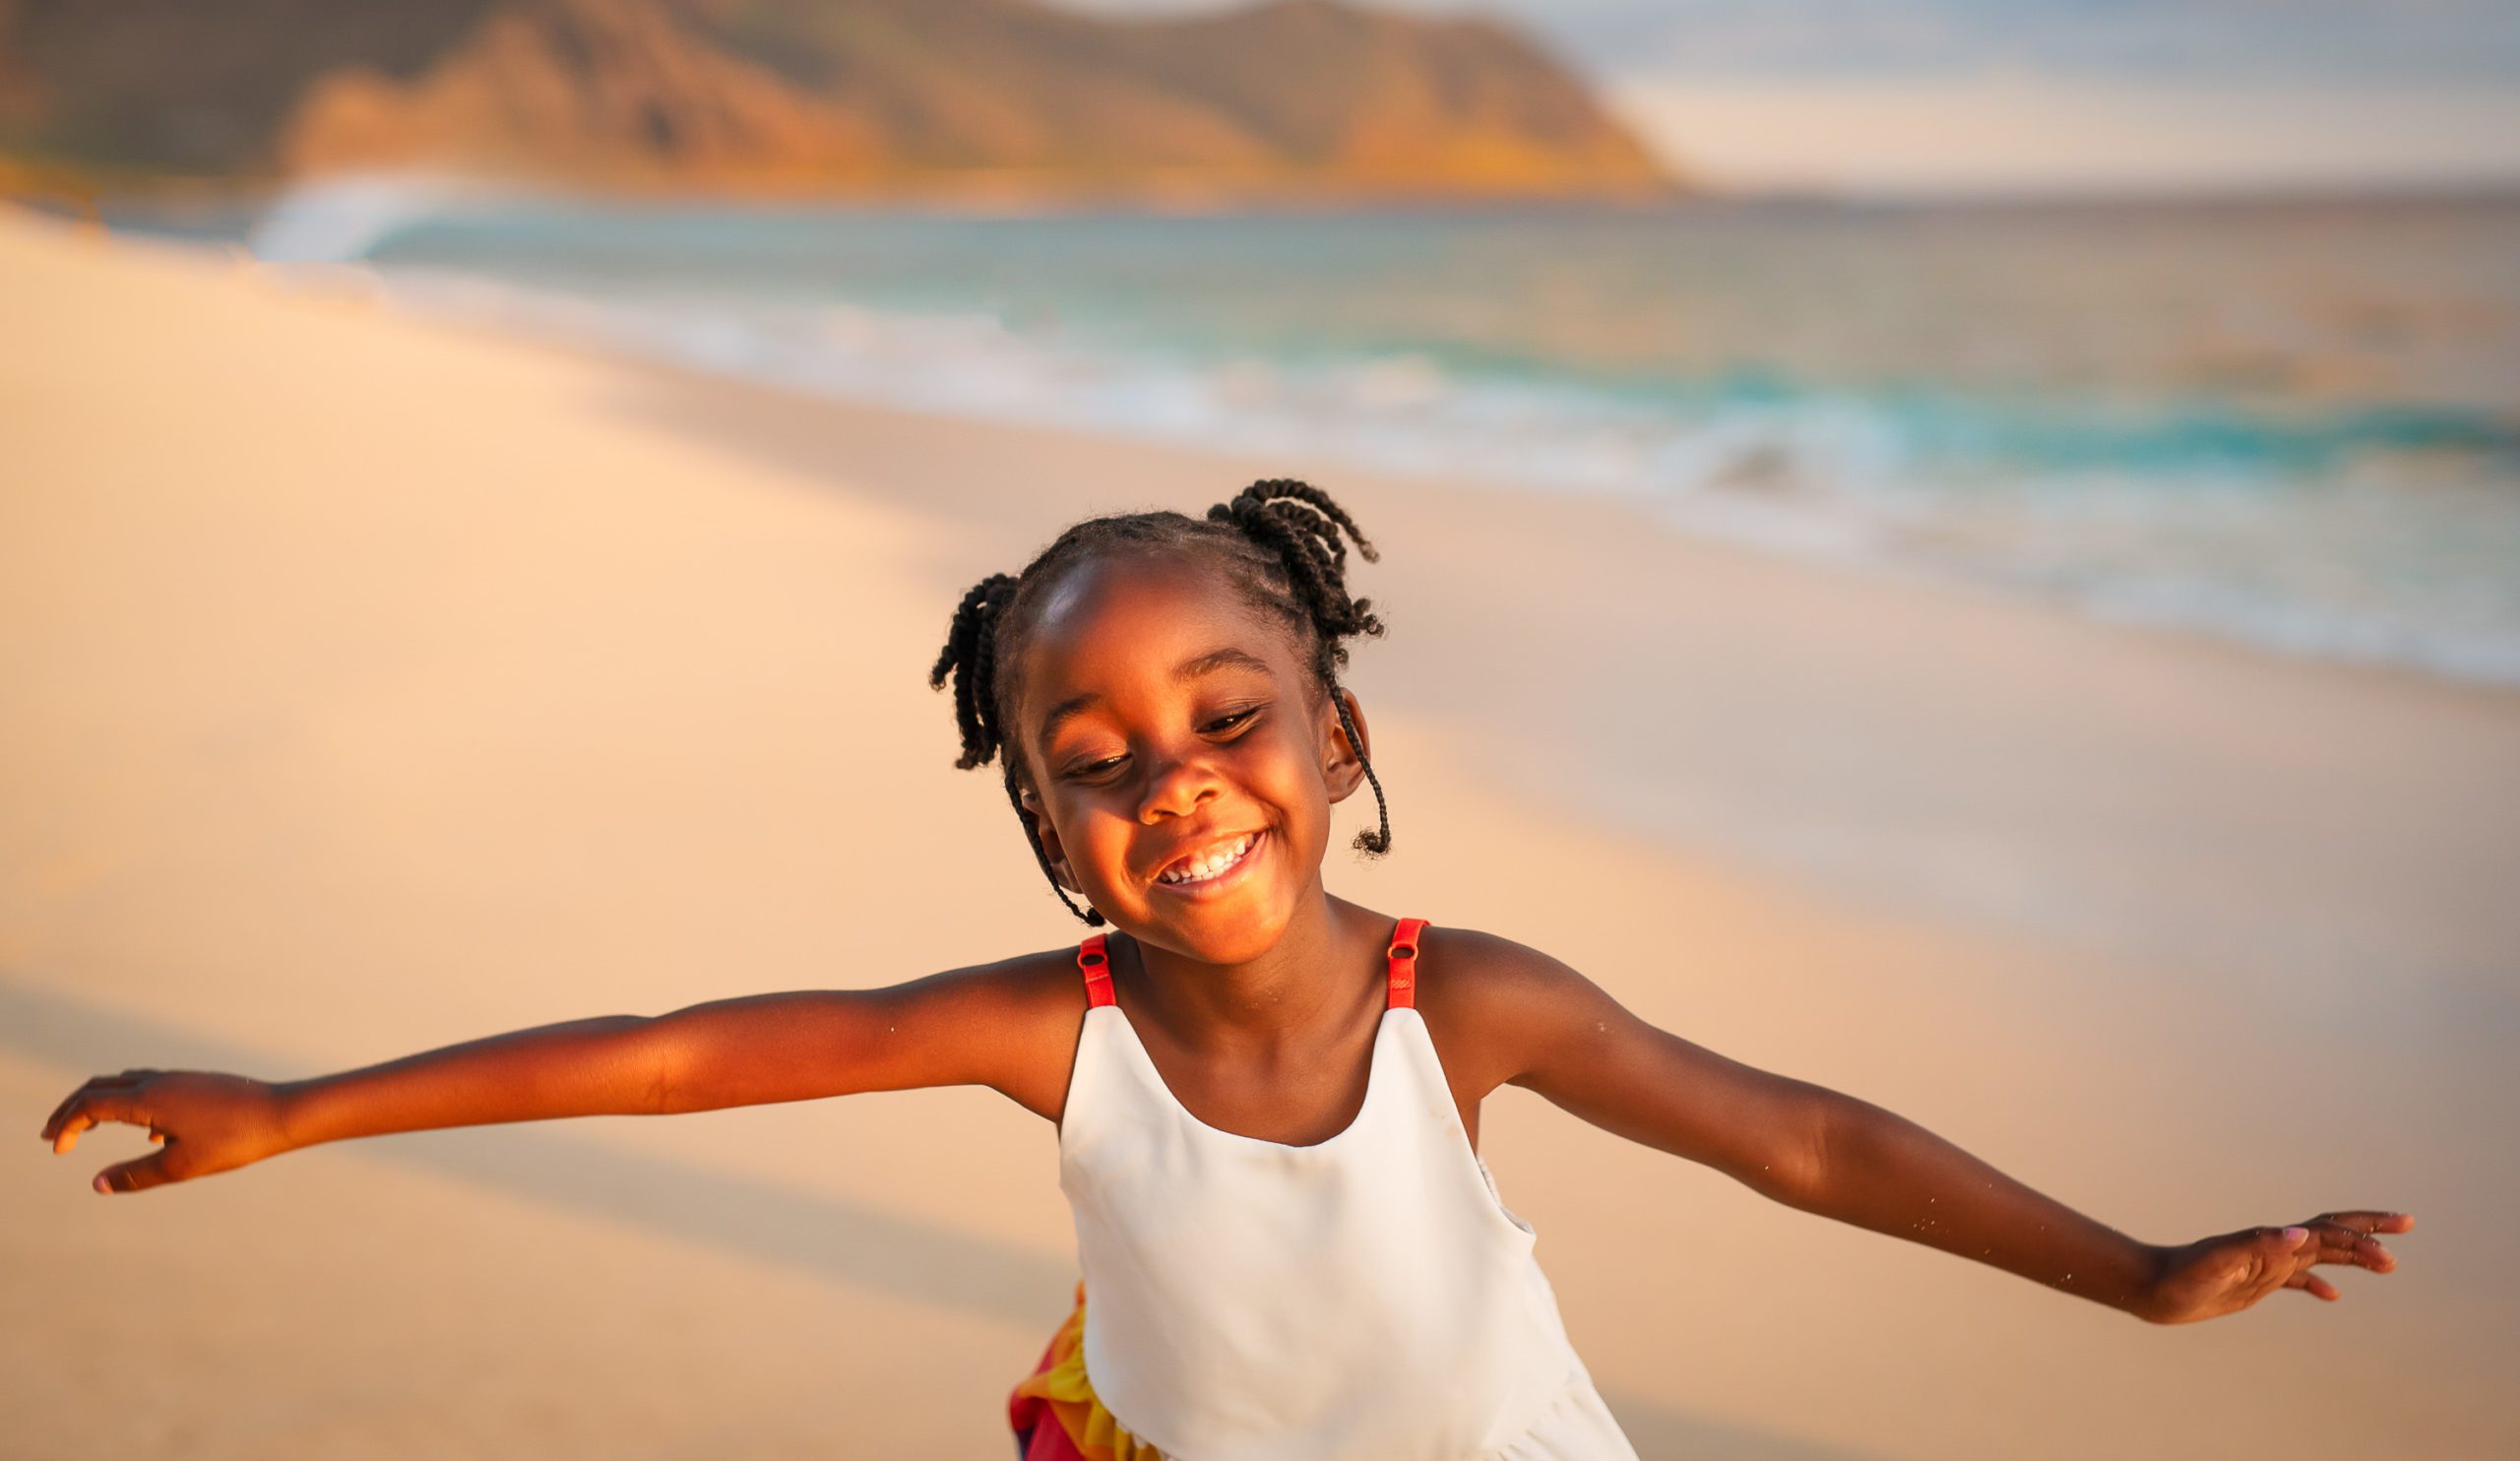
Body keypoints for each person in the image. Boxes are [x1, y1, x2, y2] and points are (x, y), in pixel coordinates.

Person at [42, 477, 2411, 1461]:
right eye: (1092, 759)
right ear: (1044, 826)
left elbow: (1799, 1137)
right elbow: (672, 1062)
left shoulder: (1461, 1005)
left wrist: (2130, 1276)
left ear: (1333, 736)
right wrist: (294, 1108)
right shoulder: (1039, 1032)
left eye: (1224, 721)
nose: (1171, 784)